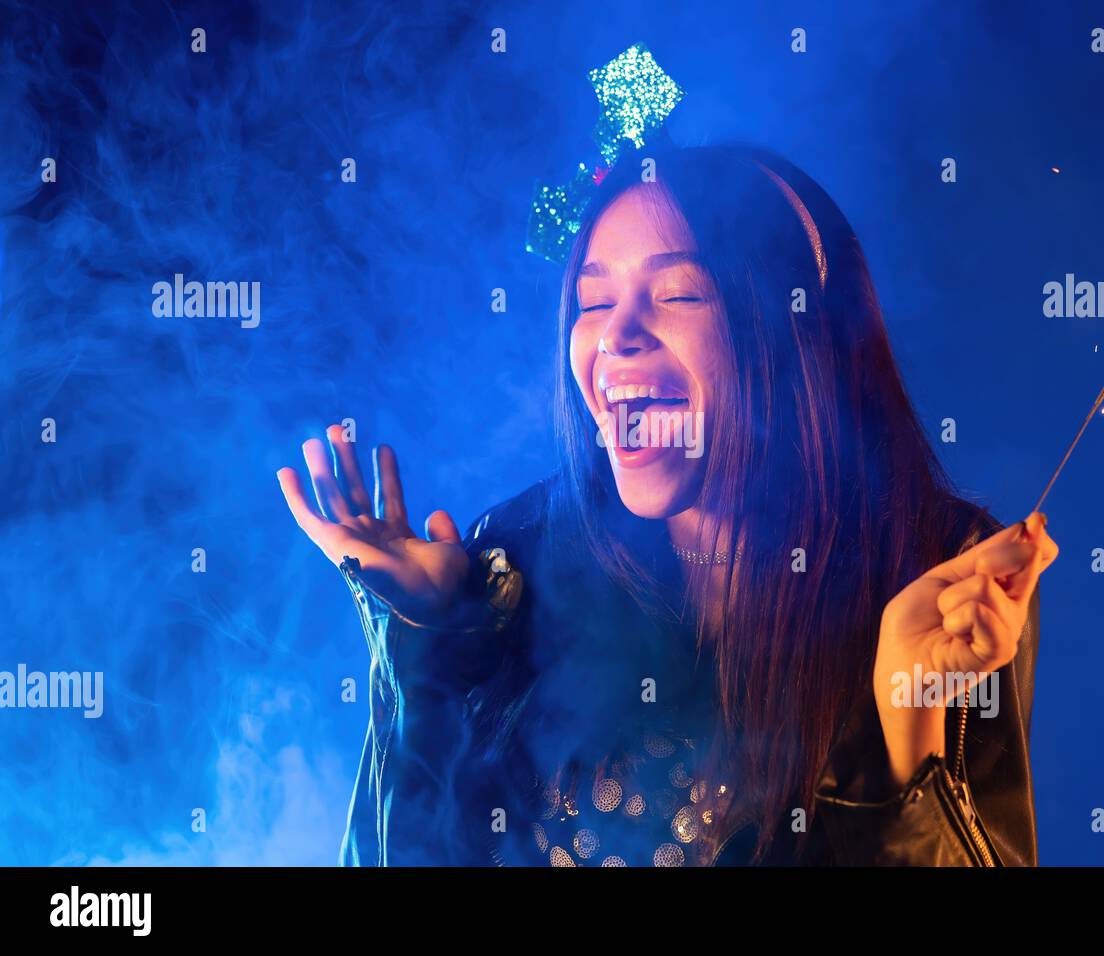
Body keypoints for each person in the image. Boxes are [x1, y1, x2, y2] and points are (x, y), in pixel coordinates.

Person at [276, 144, 1059, 866]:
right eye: (591, 303)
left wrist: (906, 724)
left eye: (678, 292)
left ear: (791, 331)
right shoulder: (516, 559)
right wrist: (422, 648)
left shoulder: (936, 575)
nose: (616, 335)